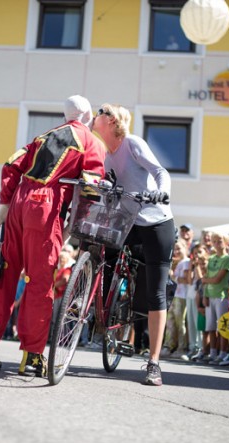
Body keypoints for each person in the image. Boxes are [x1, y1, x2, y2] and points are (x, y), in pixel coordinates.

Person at [0, 95, 105, 377]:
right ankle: (32, 357)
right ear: (87, 115)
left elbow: (11, 164)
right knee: (39, 282)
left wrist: (5, 204)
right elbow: (92, 187)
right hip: (46, 208)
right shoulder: (90, 141)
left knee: (4, 275)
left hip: (19, 202)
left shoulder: (44, 136)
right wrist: (73, 225)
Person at [91, 102, 174, 386]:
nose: (95, 115)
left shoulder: (132, 144)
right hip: (128, 223)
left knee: (155, 292)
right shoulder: (106, 155)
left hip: (156, 222)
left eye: (101, 111)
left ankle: (154, 362)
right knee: (99, 250)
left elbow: (161, 172)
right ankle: (100, 310)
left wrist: (162, 192)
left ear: (112, 121)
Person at [203, 233, 229, 364]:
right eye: (214, 241)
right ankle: (213, 353)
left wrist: (206, 280)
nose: (216, 243)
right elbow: (207, 278)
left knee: (222, 327)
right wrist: (205, 295)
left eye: (219, 240)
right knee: (211, 327)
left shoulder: (227, 259)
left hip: (221, 296)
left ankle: (223, 353)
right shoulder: (211, 258)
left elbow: (217, 279)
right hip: (210, 295)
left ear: (226, 242)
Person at [162, 241, 190, 359]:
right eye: (175, 249)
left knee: (180, 322)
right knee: (170, 322)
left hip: (182, 296)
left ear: (185, 248)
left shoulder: (187, 262)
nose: (176, 251)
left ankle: (182, 348)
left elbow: (187, 280)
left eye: (179, 249)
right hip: (174, 295)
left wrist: (173, 276)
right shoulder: (178, 263)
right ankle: (168, 346)